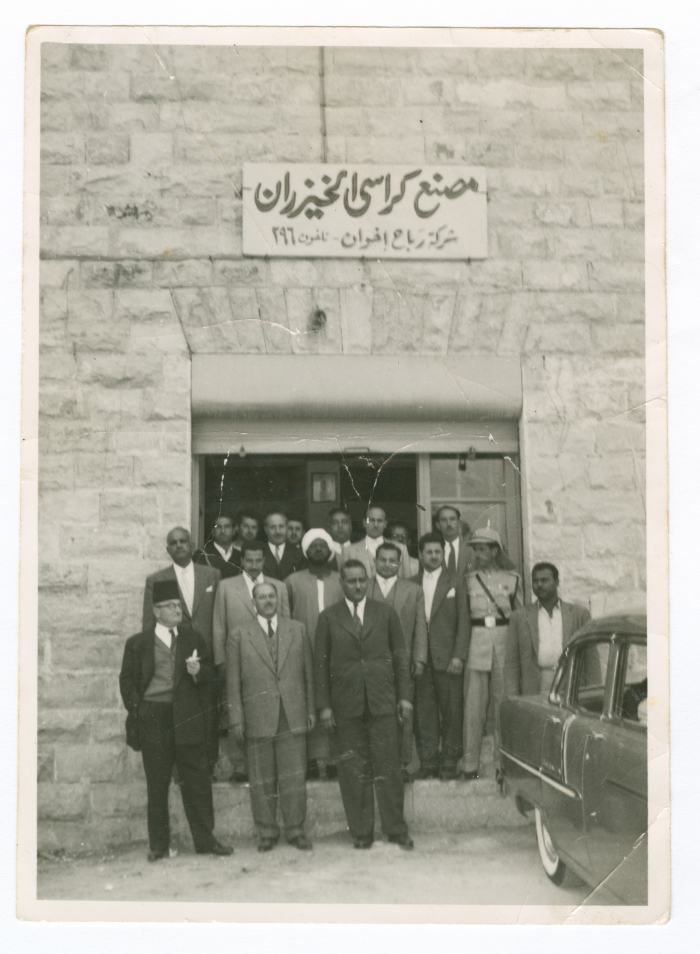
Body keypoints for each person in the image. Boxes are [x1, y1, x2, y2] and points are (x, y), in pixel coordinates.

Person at [120, 579, 232, 861]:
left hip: (187, 716)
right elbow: (127, 681)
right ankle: (158, 845)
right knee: (157, 784)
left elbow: (211, 676)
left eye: (178, 605)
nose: (176, 609)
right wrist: (140, 710)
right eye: (170, 606)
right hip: (154, 717)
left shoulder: (193, 638)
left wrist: (197, 672)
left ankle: (205, 840)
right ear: (156, 611)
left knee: (196, 780)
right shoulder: (138, 643)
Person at [314, 560, 414, 850]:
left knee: (389, 768)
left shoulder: (385, 613)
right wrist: (324, 706)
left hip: (382, 702)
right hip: (346, 706)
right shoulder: (328, 617)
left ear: (367, 582)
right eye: (351, 581)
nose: (357, 586)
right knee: (352, 770)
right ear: (342, 583)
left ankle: (395, 830)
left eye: (361, 581)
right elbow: (320, 664)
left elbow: (400, 657)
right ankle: (361, 832)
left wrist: (404, 696)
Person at [227, 582, 315, 852]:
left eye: (270, 596)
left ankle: (295, 829)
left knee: (293, 777)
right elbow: (232, 682)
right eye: (261, 597)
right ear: (253, 603)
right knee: (261, 779)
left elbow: (308, 674)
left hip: (292, 713)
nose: (267, 601)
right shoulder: (239, 635)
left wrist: (310, 708)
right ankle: (266, 831)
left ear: (278, 600)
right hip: (257, 715)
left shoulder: (297, 629)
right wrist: (237, 718)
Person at [143, 527, 221, 775]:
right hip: (174, 654)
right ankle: (179, 770)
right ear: (168, 549)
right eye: (173, 543)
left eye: (183, 541)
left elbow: (219, 616)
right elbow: (149, 623)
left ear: (192, 544)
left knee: (208, 708)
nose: (178, 545)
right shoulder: (157, 579)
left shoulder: (212, 575)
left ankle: (208, 766)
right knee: (180, 711)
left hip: (207, 655)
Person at [213, 539, 291, 783]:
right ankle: (240, 766)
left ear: (264, 560)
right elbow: (218, 626)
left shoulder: (278, 586)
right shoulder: (226, 587)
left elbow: (287, 624)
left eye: (259, 560)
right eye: (249, 560)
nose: (254, 565)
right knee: (237, 712)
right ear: (242, 560)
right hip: (238, 660)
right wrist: (221, 662)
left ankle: (273, 766)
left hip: (272, 661)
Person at [460, 527, 522, 782]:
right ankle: (469, 764)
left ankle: (503, 765)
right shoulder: (468, 578)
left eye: (483, 548)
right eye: (475, 548)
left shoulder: (513, 578)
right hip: (476, 643)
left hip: (503, 643)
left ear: (495, 550)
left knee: (502, 706)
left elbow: (520, 617)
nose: (478, 553)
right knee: (473, 707)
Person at [286, 529, 344, 780]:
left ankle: (333, 760)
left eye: (323, 545)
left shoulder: (341, 579)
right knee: (306, 702)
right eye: (314, 546)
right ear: (306, 551)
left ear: (330, 550)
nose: (319, 550)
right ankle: (309, 760)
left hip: (338, 650)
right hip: (303, 648)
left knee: (334, 701)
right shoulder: (292, 581)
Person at [411, 532, 470, 780]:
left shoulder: (456, 581)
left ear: (443, 554)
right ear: (420, 554)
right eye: (428, 552)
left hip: (448, 659)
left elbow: (464, 622)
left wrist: (459, 656)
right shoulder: (410, 582)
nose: (433, 556)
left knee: (452, 711)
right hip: (421, 661)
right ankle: (428, 761)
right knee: (424, 712)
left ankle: (449, 760)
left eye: (438, 552)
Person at [370, 542, 428, 779]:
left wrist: (420, 658)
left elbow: (420, 627)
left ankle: (404, 763)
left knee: (404, 709)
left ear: (400, 563)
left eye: (392, 560)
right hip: (371, 661)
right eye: (382, 560)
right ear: (375, 562)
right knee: (374, 711)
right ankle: (377, 763)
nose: (387, 564)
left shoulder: (413, 590)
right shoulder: (364, 588)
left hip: (402, 660)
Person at [504, 563, 591, 697]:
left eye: (544, 580)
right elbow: (511, 662)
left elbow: (591, 657)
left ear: (557, 582)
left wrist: (594, 693)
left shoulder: (578, 614)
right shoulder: (519, 616)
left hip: (570, 682)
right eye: (535, 581)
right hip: (536, 684)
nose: (539, 584)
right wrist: (512, 696)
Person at [339, 505, 412, 579]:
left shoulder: (401, 548)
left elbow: (408, 581)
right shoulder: (349, 551)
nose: (376, 525)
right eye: (371, 520)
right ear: (364, 523)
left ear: (385, 524)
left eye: (379, 521)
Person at [262, 509, 307, 581]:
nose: (277, 531)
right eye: (272, 527)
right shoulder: (258, 552)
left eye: (281, 526)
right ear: (266, 529)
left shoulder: (299, 554)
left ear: (286, 527)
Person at [195, 513, 240, 579]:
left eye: (227, 526)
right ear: (213, 531)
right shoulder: (202, 555)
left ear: (234, 530)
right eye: (218, 527)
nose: (223, 531)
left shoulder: (240, 556)